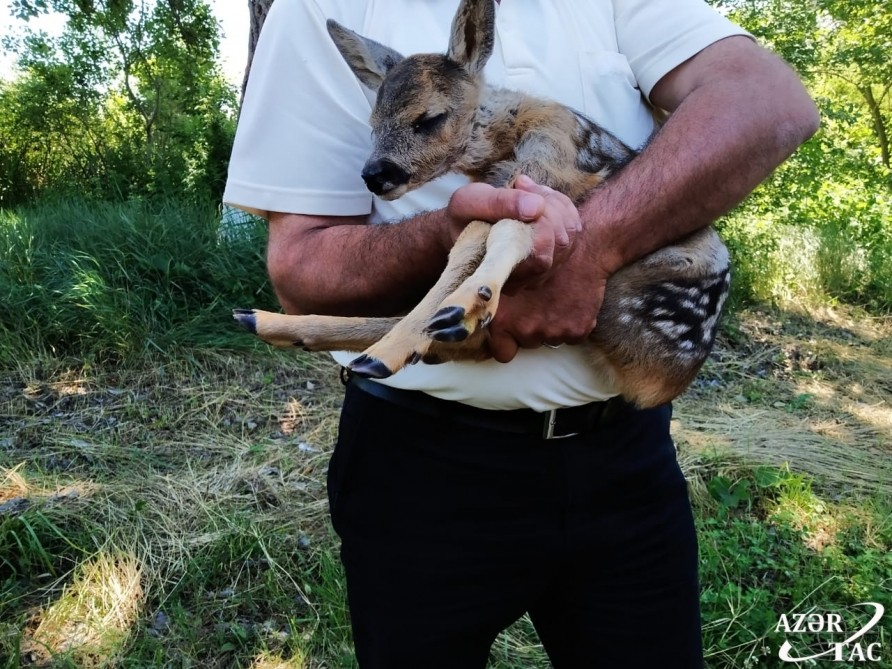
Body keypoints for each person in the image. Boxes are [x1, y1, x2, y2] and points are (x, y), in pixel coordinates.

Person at [224, 1, 819, 666]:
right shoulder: (318, 8)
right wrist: (450, 232)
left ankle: (390, 330)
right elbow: (299, 268)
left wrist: (587, 255)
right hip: (423, 469)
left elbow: (770, 100)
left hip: (622, 453)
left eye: (428, 126)